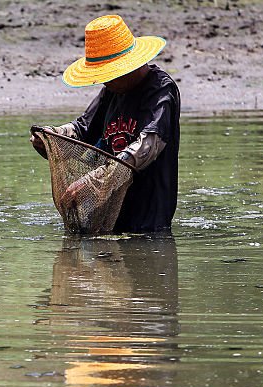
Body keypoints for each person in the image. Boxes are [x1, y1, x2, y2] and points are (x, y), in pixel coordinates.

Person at [31, 15, 180, 234]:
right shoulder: (112, 90)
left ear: (129, 65)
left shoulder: (160, 90)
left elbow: (147, 145)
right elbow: (82, 129)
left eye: (109, 74)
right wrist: (52, 136)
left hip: (148, 224)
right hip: (108, 219)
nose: (104, 80)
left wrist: (92, 181)